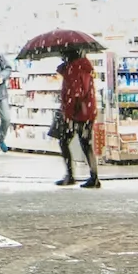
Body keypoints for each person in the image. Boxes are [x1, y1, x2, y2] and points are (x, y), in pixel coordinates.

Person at [54, 48, 101, 188]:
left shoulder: (74, 69)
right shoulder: (83, 66)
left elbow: (75, 94)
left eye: (63, 53)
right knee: (86, 143)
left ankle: (70, 175)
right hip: (87, 111)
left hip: (77, 113)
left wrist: (67, 115)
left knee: (64, 141)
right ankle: (94, 177)